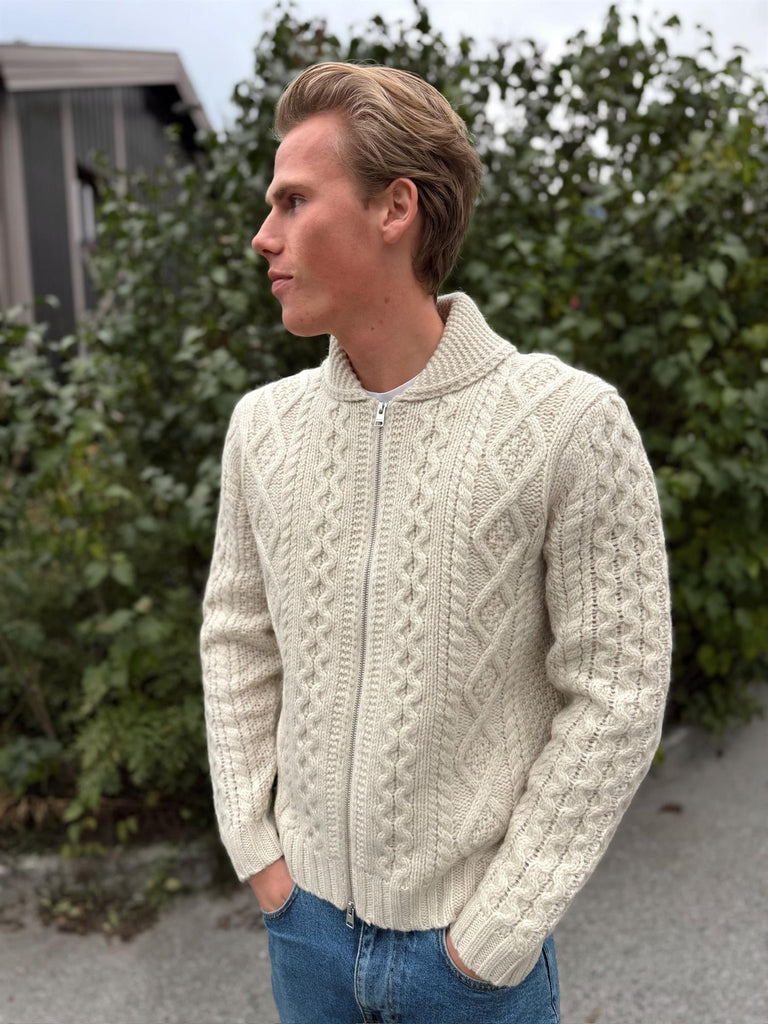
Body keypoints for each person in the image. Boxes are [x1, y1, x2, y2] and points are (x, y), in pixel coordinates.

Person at [200, 62, 671, 1024]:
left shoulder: (568, 424)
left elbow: (618, 690)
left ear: (395, 208)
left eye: (294, 201)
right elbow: (237, 638)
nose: (264, 236)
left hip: (467, 966)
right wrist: (263, 859)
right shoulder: (262, 429)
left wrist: (494, 934)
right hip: (305, 936)